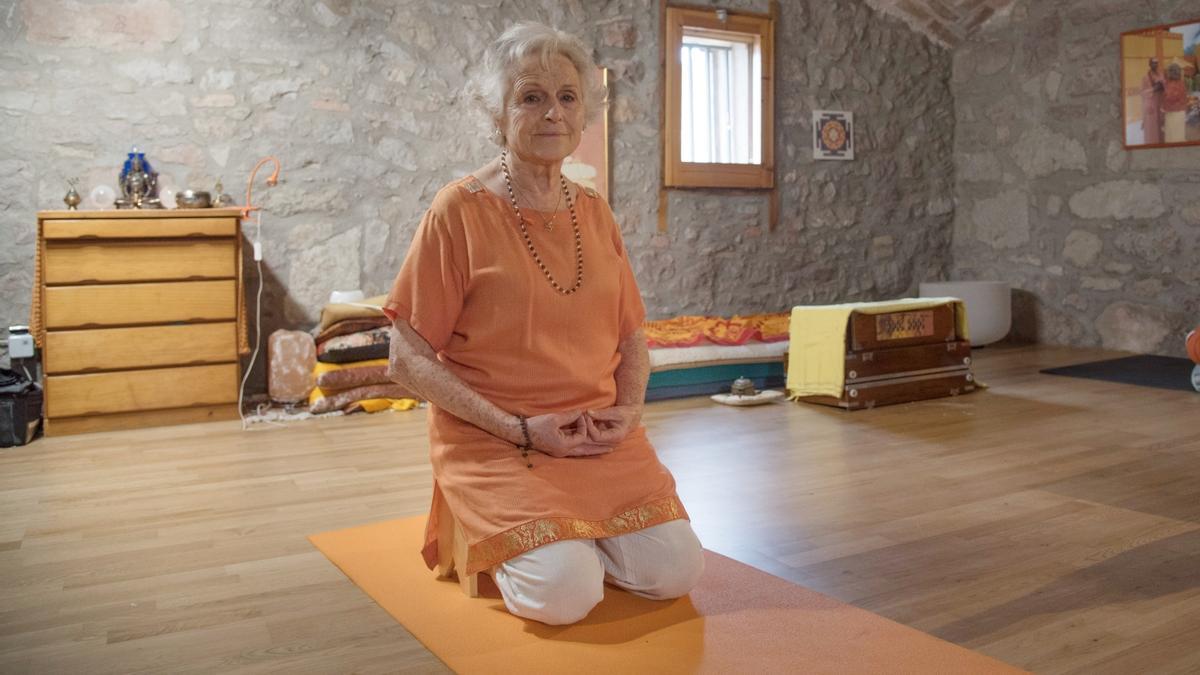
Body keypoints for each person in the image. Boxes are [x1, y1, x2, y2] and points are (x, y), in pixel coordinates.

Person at [383, 21, 704, 626]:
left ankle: (569, 538)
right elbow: (406, 359)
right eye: (530, 97)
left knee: (677, 573)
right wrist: (520, 427)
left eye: (566, 97)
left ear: (584, 115)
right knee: (564, 596)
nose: (551, 113)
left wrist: (629, 412)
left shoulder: (595, 212)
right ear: (497, 114)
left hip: (598, 436)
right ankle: (541, 545)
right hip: (499, 441)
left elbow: (632, 336)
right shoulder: (458, 211)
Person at [1162, 62, 1189, 143]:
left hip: (1173, 114)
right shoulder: (1181, 83)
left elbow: (1169, 98)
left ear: (1170, 72)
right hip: (1180, 113)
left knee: (1172, 136)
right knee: (1179, 134)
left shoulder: (1171, 84)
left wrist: (1163, 107)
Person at [1141, 57, 1165, 144]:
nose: (1155, 64)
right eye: (1153, 63)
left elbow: (1165, 87)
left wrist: (1162, 85)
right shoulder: (1145, 77)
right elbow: (1142, 93)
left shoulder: (1161, 75)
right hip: (1150, 105)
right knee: (1152, 127)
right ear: (1150, 64)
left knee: (1161, 126)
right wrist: (1153, 89)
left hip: (1160, 103)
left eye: (1157, 63)